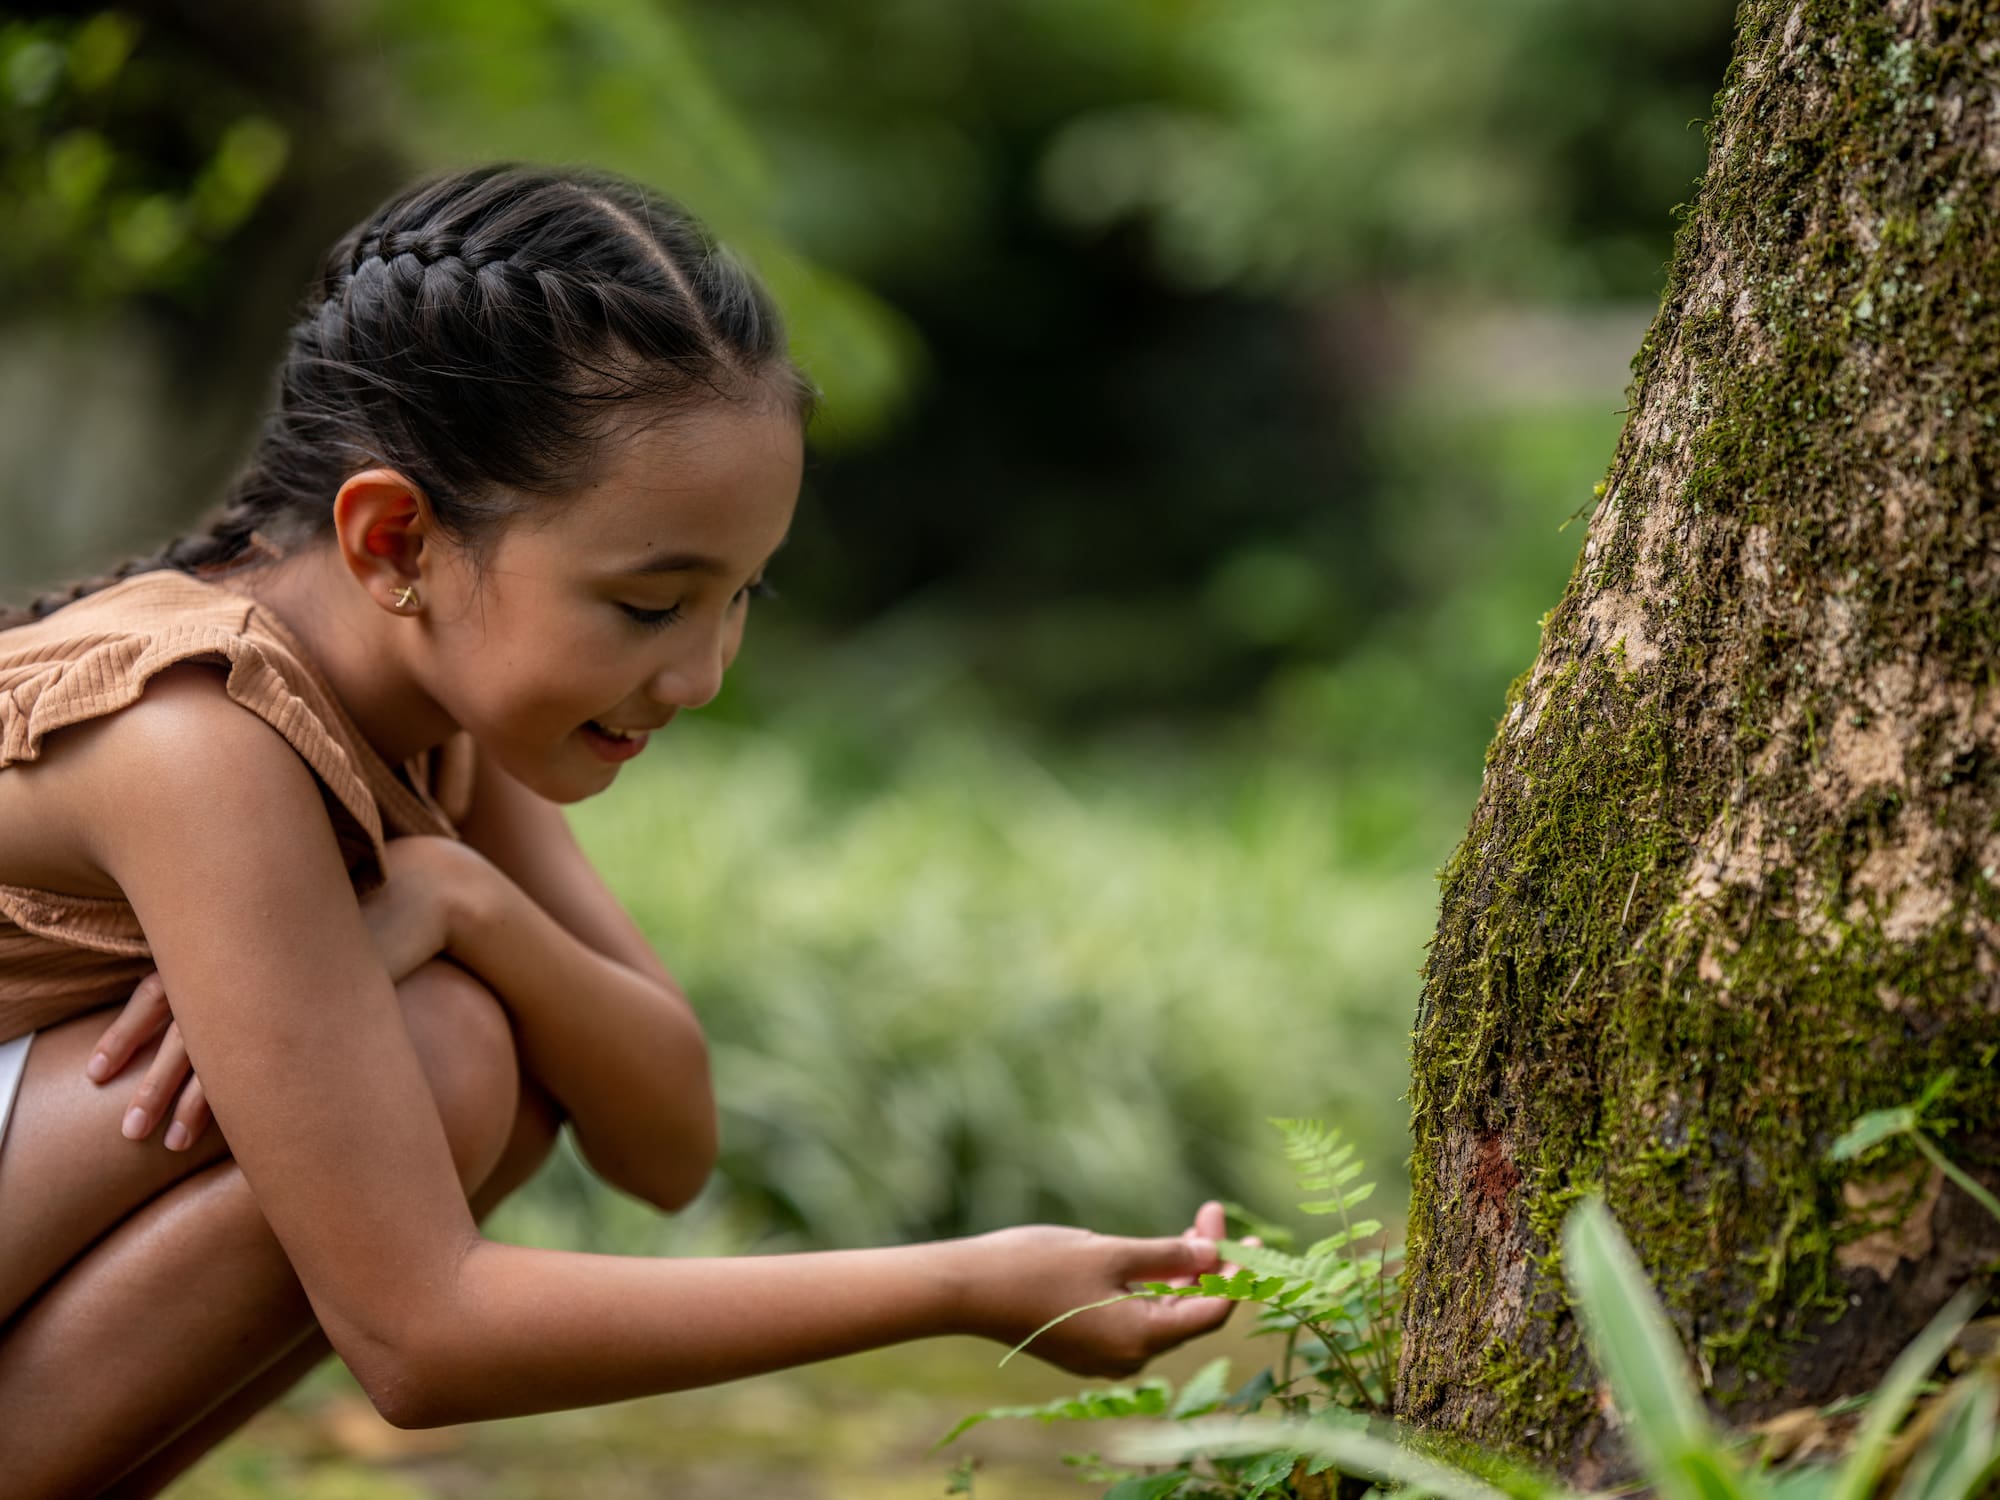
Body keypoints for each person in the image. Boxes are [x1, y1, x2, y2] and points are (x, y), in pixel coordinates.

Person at [0, 164, 1236, 1495]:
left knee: (473, 1049)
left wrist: (467, 904)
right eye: (651, 607)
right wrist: (963, 1284)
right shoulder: (199, 739)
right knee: (444, 1056)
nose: (702, 675)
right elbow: (423, 1336)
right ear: (395, 539)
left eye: (739, 595)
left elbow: (665, 1143)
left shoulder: (437, 699)